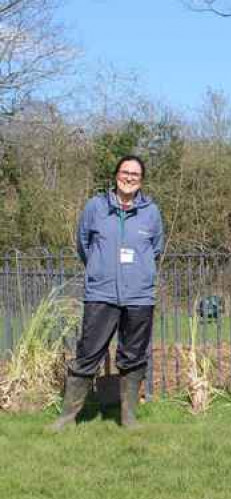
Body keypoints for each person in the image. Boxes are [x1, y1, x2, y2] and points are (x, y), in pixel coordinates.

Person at [49, 155, 165, 431]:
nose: (129, 178)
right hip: (101, 294)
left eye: (135, 174)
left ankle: (128, 417)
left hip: (139, 296)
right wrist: (101, 269)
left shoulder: (151, 212)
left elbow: (155, 249)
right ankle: (67, 417)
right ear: (116, 176)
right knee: (88, 352)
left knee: (134, 355)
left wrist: (139, 272)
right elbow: (83, 244)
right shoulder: (96, 207)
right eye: (125, 172)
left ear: (141, 180)